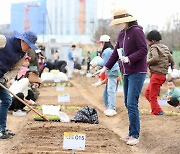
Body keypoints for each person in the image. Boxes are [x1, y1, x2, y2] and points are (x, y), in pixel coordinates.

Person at [97, 9, 148, 145]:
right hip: (126, 72)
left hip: (137, 71)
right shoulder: (122, 34)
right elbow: (115, 53)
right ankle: (131, 133)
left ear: (126, 19)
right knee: (127, 102)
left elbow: (144, 50)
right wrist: (105, 67)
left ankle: (135, 136)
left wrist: (129, 58)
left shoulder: (137, 31)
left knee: (132, 102)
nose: (118, 25)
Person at [0, 30, 38, 139]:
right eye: (29, 45)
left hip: (1, 77)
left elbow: (15, 70)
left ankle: (1, 129)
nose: (30, 48)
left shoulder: (22, 55)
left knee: (7, 100)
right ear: (23, 40)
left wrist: (5, 78)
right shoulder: (3, 41)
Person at [144, 30, 174, 115]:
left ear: (152, 41)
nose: (148, 43)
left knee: (152, 96)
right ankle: (156, 108)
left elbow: (156, 58)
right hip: (162, 75)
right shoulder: (165, 47)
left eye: (149, 41)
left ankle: (157, 111)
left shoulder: (154, 47)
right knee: (147, 93)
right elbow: (171, 60)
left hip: (157, 74)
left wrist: (146, 62)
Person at [91, 35, 120, 116]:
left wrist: (96, 63)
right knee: (109, 91)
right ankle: (110, 108)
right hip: (112, 72)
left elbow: (105, 62)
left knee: (111, 91)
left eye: (101, 43)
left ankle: (111, 108)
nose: (100, 44)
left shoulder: (107, 51)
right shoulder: (110, 50)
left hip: (112, 72)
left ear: (104, 43)